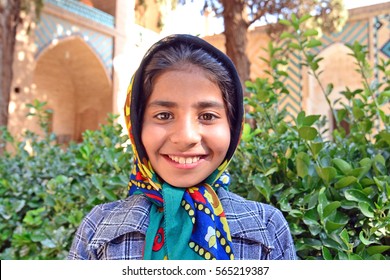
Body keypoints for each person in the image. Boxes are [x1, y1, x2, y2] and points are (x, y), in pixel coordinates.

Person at [68, 34, 296, 260]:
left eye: (207, 115)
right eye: (164, 115)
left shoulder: (267, 227)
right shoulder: (97, 228)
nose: (186, 137)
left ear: (233, 126)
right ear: (137, 126)